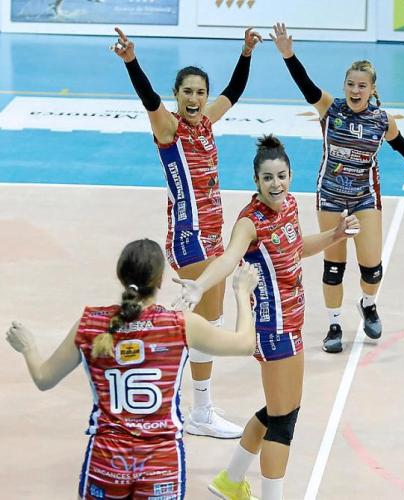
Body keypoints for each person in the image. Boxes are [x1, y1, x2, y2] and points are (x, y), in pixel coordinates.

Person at [173, 135, 360, 500]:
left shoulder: (289, 205)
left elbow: (297, 248)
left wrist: (336, 235)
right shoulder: (249, 222)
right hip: (274, 328)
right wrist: (200, 286)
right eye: (268, 178)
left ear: (290, 176)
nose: (276, 184)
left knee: (281, 410)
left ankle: (230, 481)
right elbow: (229, 258)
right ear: (256, 181)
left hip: (293, 321)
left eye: (282, 176)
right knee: (283, 421)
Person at [5, 239, 258, 499]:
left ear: (120, 277)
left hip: (106, 461)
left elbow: (44, 378)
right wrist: (242, 292)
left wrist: (28, 347)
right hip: (161, 464)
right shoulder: (181, 325)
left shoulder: (91, 324)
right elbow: (246, 344)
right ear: (160, 281)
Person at [112, 25, 263, 438]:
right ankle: (194, 410)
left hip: (212, 236)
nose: (195, 99)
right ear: (176, 96)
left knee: (207, 319)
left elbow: (234, 91)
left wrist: (246, 51)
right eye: (187, 92)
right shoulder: (169, 128)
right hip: (189, 238)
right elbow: (148, 98)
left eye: (200, 92)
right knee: (203, 324)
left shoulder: (207, 122)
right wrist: (131, 61)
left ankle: (186, 403)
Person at [269, 22, 404, 353]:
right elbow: (306, 85)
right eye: (350, 84)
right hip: (330, 195)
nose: (355, 91)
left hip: (364, 197)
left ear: (372, 89)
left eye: (362, 86)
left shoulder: (382, 120)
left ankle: (368, 304)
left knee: (372, 269)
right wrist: (288, 55)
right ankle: (334, 326)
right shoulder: (331, 109)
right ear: (344, 86)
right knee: (334, 267)